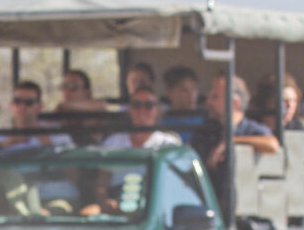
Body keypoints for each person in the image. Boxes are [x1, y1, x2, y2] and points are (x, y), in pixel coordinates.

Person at [192, 73, 280, 207]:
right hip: (210, 208)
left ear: (235, 103)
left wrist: (232, 141)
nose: (208, 102)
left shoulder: (252, 130)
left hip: (246, 210)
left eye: (215, 97)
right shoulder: (204, 131)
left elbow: (272, 144)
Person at [0, 79, 74, 151]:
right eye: (17, 102)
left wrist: (46, 143)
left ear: (39, 107)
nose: (22, 107)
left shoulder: (57, 135)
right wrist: (7, 143)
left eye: (28, 102)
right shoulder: (1, 138)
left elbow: (72, 172)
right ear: (11, 105)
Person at [101, 86, 180, 149]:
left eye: (148, 105)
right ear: (130, 110)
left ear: (157, 111)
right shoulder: (114, 142)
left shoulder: (168, 144)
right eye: (136, 105)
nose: (142, 110)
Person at [52, 69, 107, 145]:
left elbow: (101, 104)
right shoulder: (61, 114)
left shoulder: (97, 110)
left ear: (87, 92)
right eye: (64, 86)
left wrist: (66, 106)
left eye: (73, 86)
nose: (66, 90)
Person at [160, 65, 204, 143]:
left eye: (194, 88)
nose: (191, 95)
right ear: (170, 93)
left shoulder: (205, 121)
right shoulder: (162, 124)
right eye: (184, 90)